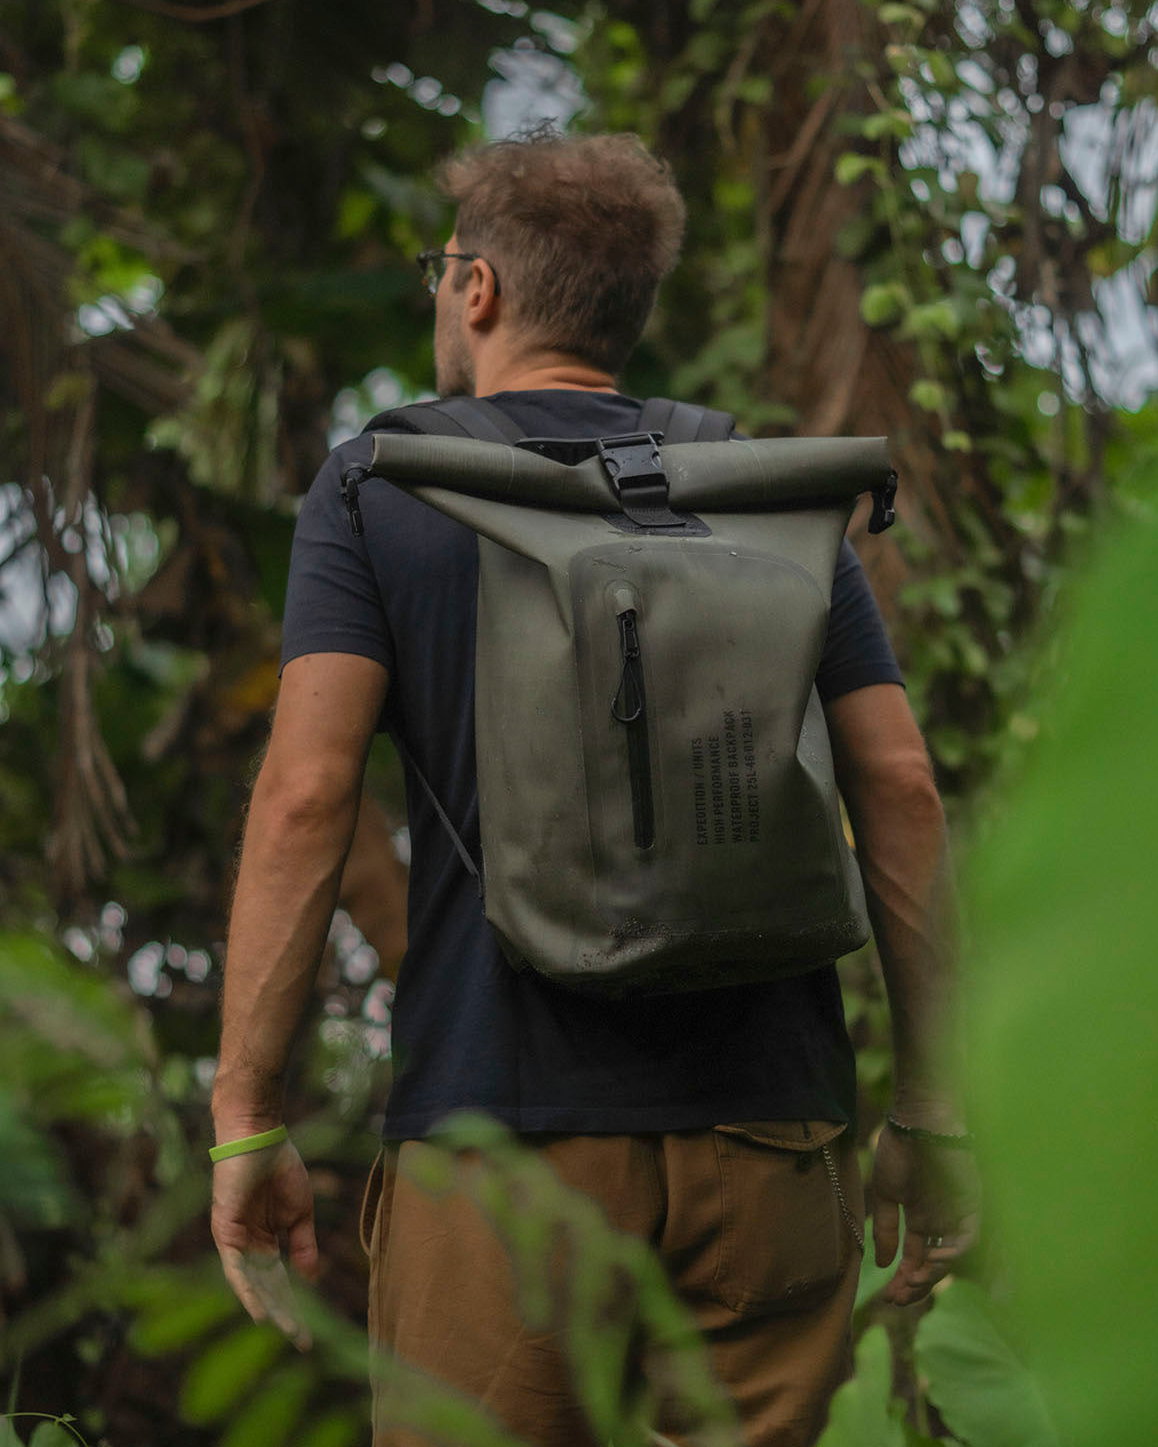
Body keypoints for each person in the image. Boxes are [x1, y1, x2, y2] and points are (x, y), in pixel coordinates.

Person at [209, 129, 978, 1447]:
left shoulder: (380, 489)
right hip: (772, 1136)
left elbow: (305, 797)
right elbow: (900, 786)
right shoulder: (761, 493)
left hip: (503, 1152)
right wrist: (933, 1108)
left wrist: (245, 1117)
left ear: (480, 289)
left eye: (443, 270)